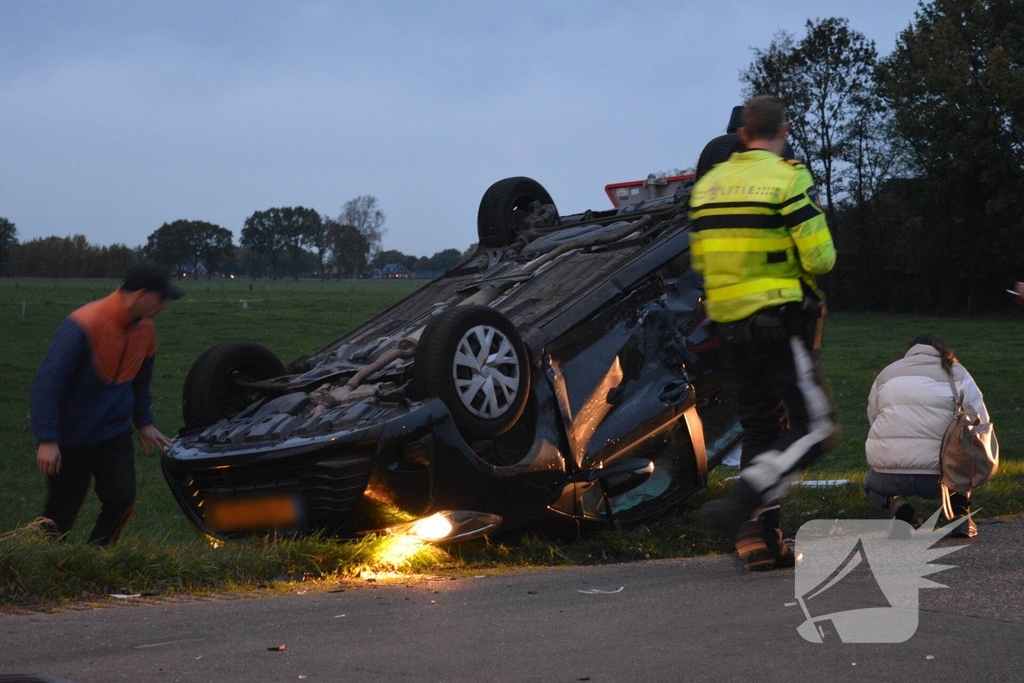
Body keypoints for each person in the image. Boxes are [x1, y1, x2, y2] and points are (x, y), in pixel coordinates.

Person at [688, 95, 837, 570]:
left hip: (728, 329)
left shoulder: (708, 187)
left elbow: (700, 260)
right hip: (778, 323)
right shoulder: (787, 179)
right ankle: (744, 501)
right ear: (783, 129)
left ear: (741, 134)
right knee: (815, 428)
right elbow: (822, 258)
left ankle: (759, 542)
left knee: (759, 427)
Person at [30, 262, 183, 547]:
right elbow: (47, 383)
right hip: (70, 437)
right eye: (160, 298)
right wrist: (48, 439)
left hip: (113, 433)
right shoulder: (84, 324)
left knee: (122, 496)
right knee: (61, 511)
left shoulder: (146, 331)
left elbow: (140, 381)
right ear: (140, 294)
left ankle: (96, 558)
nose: (163, 306)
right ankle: (42, 564)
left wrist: (144, 421)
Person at [863, 335, 994, 538]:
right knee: (964, 460)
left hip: (889, 475)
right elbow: (980, 421)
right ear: (943, 351)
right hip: (941, 478)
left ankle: (896, 502)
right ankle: (960, 514)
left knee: (870, 484)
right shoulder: (956, 372)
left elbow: (873, 415)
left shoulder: (886, 374)